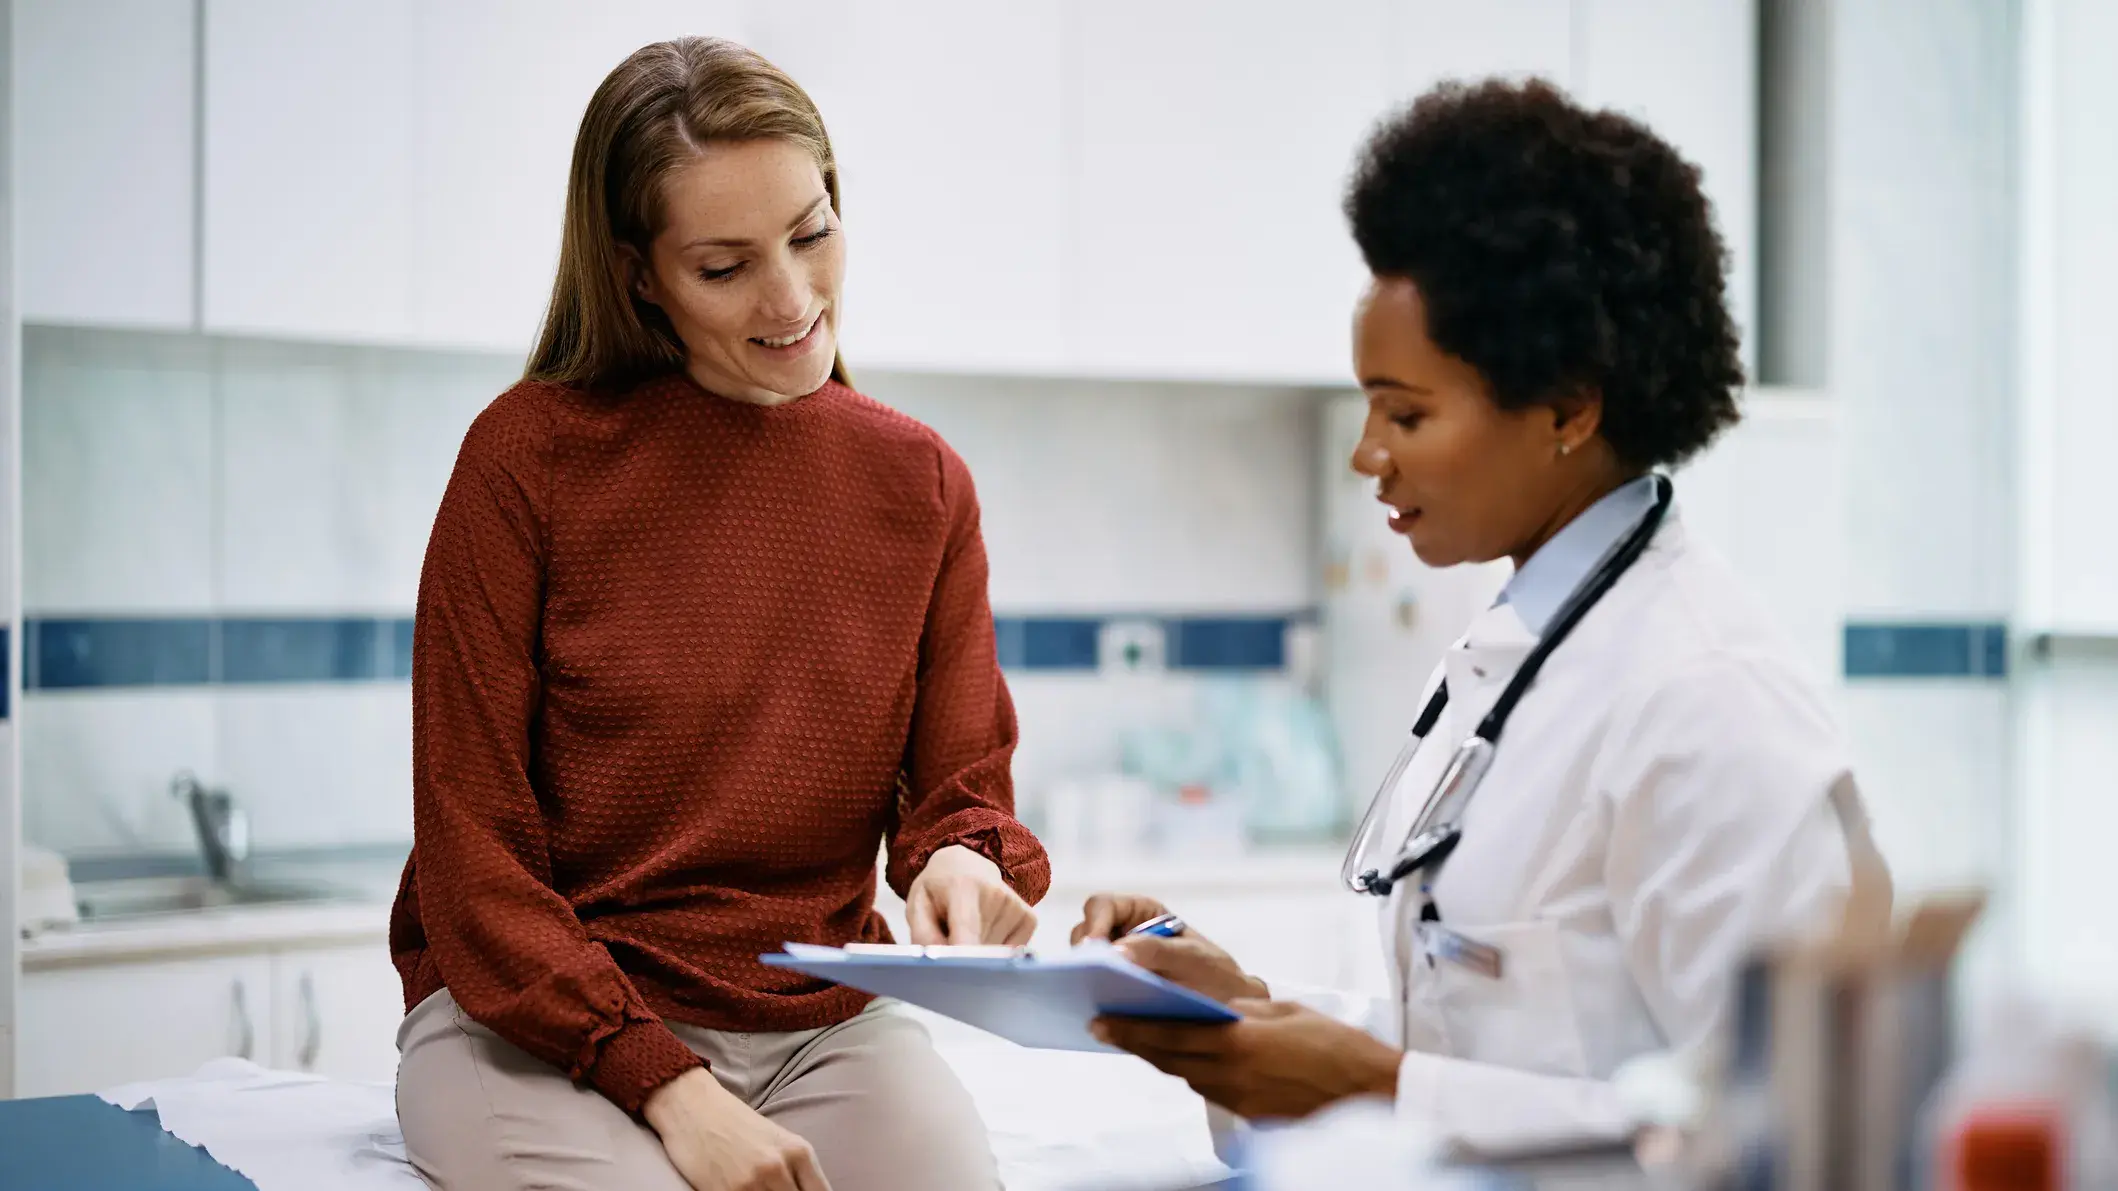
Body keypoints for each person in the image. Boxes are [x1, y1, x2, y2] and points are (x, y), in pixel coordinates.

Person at [1074, 79, 1892, 1152]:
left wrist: (1375, 1089)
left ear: (1567, 407)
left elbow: (1791, 1134)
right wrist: (1243, 1011)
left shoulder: (1708, 701)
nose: (1368, 455)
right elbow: (1486, 1050)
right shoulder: (1510, 656)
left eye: (1405, 412)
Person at [388, 37, 1046, 1191]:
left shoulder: (922, 484)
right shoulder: (526, 460)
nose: (793, 300)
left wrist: (958, 867)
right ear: (640, 273)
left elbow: (958, 793)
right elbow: (470, 856)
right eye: (725, 266)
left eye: (812, 233)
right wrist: (665, 1085)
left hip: (821, 1023)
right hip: (535, 1025)